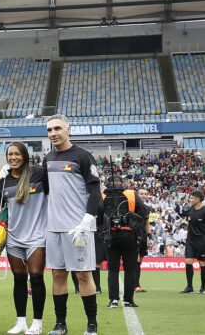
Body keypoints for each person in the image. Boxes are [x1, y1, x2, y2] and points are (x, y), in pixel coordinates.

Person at [43, 115, 101, 335]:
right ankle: (60, 324)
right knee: (57, 275)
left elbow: (95, 190)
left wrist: (87, 220)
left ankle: (92, 325)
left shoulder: (83, 156)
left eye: (57, 128)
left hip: (78, 228)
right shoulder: (48, 157)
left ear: (68, 129)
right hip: (54, 227)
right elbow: (45, 190)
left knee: (83, 275)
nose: (53, 133)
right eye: (49, 130)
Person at [0, 142, 47, 335]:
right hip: (14, 237)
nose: (13, 158)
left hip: (37, 235)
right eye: (10, 155)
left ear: (25, 156)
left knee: (35, 277)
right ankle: (21, 322)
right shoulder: (3, 180)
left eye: (17, 154)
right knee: (18, 279)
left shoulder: (39, 174)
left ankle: (37, 323)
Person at [101, 174, 148, 308]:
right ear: (122, 182)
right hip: (129, 235)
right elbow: (143, 212)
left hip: (111, 236)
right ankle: (128, 300)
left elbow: (98, 215)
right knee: (130, 269)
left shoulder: (103, 196)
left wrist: (104, 231)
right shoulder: (131, 194)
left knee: (113, 270)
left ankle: (113, 300)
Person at [180, 190, 205, 294]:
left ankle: (202, 288)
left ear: (198, 200)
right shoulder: (190, 209)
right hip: (190, 240)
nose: (190, 199)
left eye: (192, 198)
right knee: (188, 261)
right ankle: (189, 287)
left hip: (202, 240)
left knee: (202, 262)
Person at [134, 188, 151, 293]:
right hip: (133, 236)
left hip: (143, 236)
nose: (143, 195)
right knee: (135, 260)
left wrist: (150, 237)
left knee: (139, 261)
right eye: (141, 194)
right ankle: (135, 285)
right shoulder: (132, 206)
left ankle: (137, 285)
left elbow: (147, 223)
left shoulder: (147, 208)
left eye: (145, 194)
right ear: (137, 195)